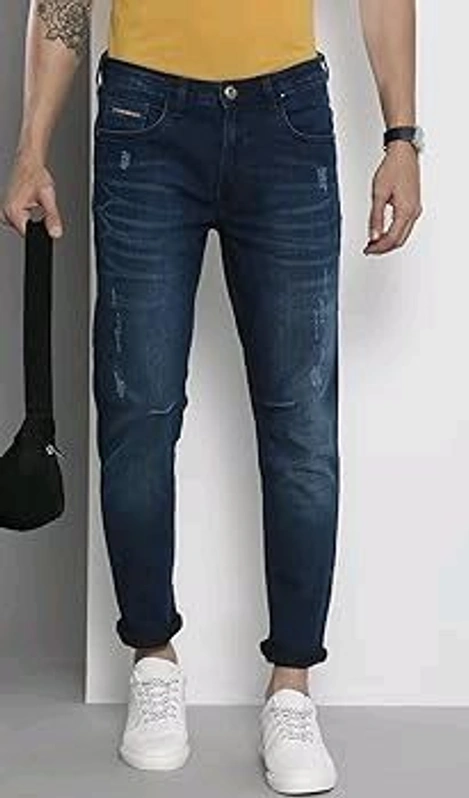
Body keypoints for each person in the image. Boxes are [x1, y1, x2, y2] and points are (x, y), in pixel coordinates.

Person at [1, 0, 422, 793]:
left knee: (302, 426)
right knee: (138, 412)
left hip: (286, 119)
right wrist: (31, 145)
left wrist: (402, 137)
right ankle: (153, 662)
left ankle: (292, 687)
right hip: (144, 116)